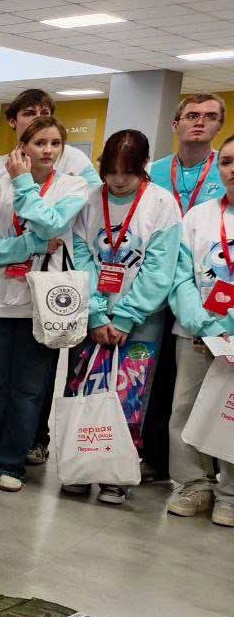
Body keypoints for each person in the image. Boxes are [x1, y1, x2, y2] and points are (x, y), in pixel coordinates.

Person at [0, 116, 88, 492]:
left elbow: (52, 225)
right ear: (23, 147)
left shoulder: (74, 186)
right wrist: (29, 246)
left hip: (41, 304)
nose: (48, 151)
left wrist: (23, 184)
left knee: (30, 388)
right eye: (39, 143)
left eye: (55, 143)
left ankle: (12, 461)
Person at [58, 129, 178, 506]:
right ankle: (79, 467)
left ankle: (115, 474)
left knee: (128, 398)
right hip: (91, 320)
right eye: (110, 171)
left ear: (143, 168)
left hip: (140, 325)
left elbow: (160, 270)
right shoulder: (90, 201)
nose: (118, 180)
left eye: (127, 172)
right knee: (83, 391)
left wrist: (126, 316)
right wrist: (95, 313)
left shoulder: (162, 204)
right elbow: (78, 255)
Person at [143, 93, 227, 488]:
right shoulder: (153, 172)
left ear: (218, 127)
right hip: (157, 288)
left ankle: (216, 473)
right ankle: (158, 458)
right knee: (159, 381)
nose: (200, 122)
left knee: (209, 391)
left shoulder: (222, 173)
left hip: (206, 299)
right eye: (191, 115)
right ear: (175, 123)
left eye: (210, 117)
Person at [169, 135, 234, 527]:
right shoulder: (199, 216)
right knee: (185, 409)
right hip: (197, 331)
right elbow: (180, 277)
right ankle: (194, 484)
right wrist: (207, 325)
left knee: (230, 415)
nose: (233, 169)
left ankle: (231, 493)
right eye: (226, 162)